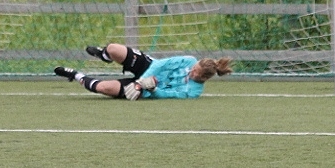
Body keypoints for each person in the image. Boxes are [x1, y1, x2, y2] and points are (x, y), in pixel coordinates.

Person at [54, 43, 232, 100]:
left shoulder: (194, 91)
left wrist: (151, 88)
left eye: (195, 73)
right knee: (114, 49)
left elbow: (168, 95)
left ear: (203, 77)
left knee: (103, 88)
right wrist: (142, 80)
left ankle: (75, 75)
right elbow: (160, 64)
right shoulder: (189, 60)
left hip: (145, 90)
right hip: (147, 67)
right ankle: (104, 55)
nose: (191, 71)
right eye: (194, 68)